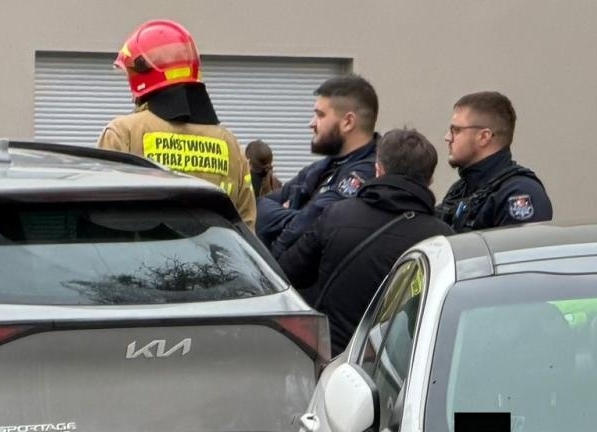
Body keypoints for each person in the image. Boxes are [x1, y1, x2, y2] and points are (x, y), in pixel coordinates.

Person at [274, 128, 453, 355]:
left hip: (328, 357)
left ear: (378, 170)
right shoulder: (441, 239)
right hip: (395, 369)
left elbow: (288, 273)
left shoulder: (336, 215)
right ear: (430, 179)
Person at [97, 19, 255, 228]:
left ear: (142, 74)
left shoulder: (122, 133)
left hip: (142, 259)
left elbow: (102, 218)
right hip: (214, 259)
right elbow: (246, 226)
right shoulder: (230, 144)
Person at [257, 76, 380, 250]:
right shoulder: (323, 168)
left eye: (320, 115)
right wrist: (296, 216)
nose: (311, 123)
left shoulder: (367, 173)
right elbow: (260, 206)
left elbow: (313, 225)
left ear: (348, 122)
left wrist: (291, 216)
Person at [437, 91, 552, 231]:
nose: (448, 137)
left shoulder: (519, 193)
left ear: (484, 137)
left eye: (456, 130)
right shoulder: (461, 189)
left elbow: (520, 251)